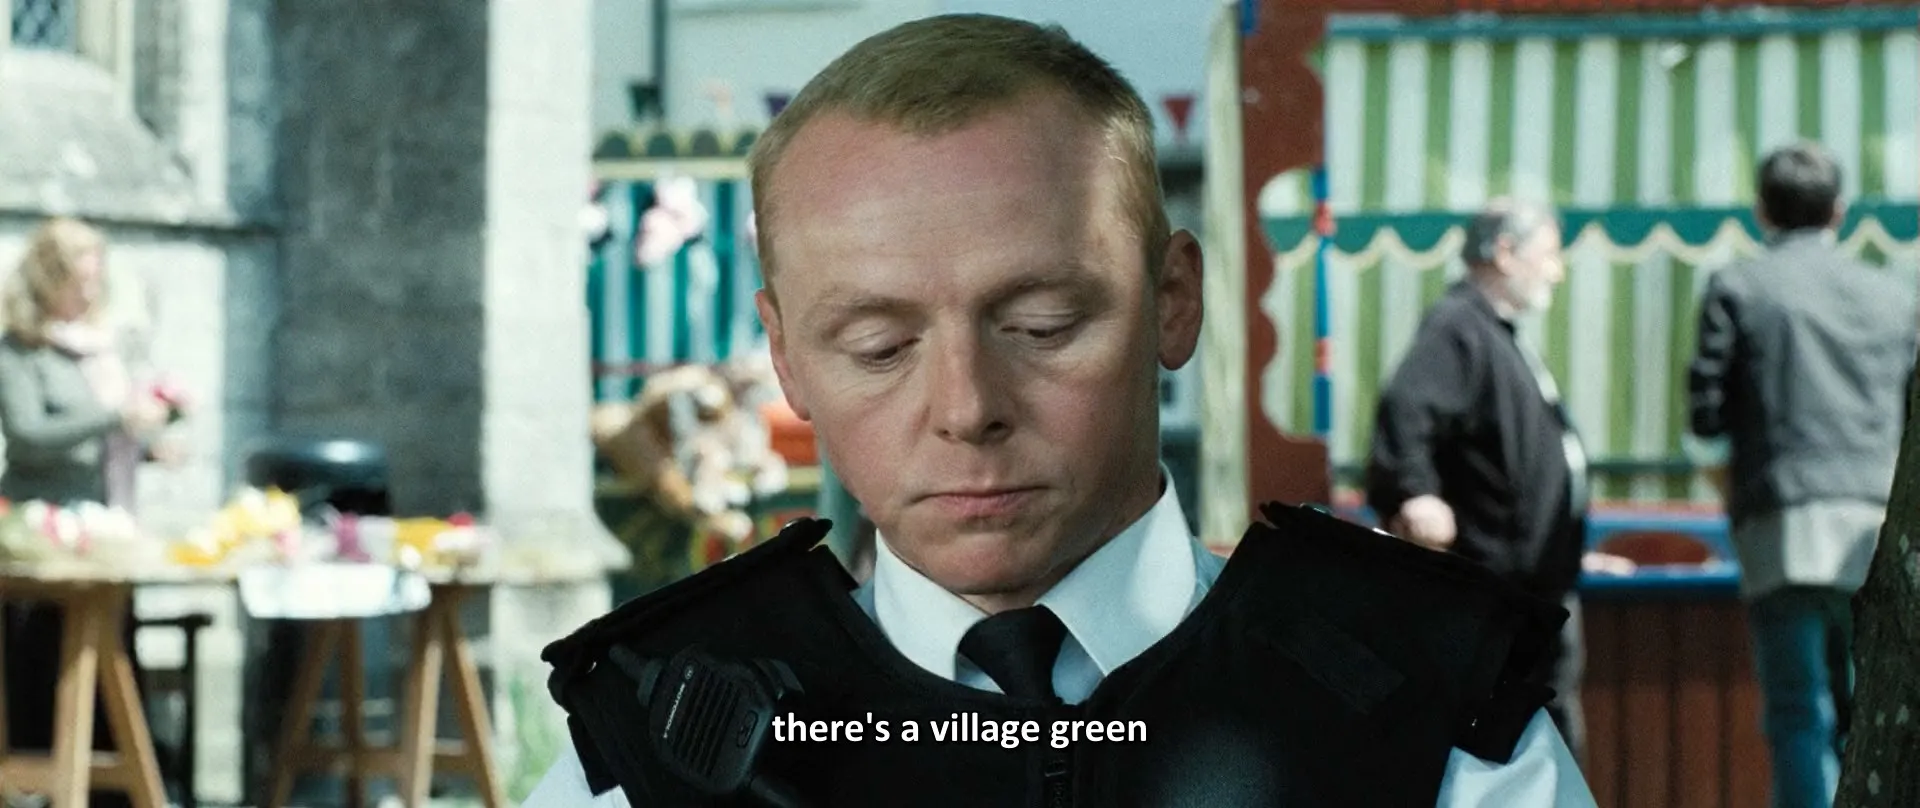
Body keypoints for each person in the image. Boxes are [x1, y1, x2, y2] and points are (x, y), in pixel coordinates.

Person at [531, 15, 1594, 807]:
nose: (966, 409)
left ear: (1173, 302)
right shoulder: (653, 751)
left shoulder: (1431, 720)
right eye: (879, 347)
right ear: (786, 358)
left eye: (1041, 326)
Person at [1687, 142, 1916, 808]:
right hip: (1874, 527)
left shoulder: (1737, 286)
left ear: (1762, 210)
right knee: (1867, 712)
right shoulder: (1894, 297)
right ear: (1839, 211)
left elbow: (1705, 415)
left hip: (1779, 521)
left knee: (1795, 710)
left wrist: (1727, 477)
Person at [1363, 198, 1591, 762]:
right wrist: (1415, 493)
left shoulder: (1496, 332)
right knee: (1499, 750)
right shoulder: (1458, 328)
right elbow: (1407, 409)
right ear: (1505, 253)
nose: (1557, 272)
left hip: (1532, 589)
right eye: (1548, 255)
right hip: (1492, 592)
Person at [0, 217, 175, 808]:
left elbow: (103, 442)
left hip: (104, 531)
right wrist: (115, 416)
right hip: (42, 540)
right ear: (47, 281)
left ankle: (113, 795)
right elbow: (29, 434)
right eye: (79, 281)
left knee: (112, 668)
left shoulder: (96, 349)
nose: (90, 293)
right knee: (44, 674)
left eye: (95, 280)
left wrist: (150, 444)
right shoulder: (20, 351)